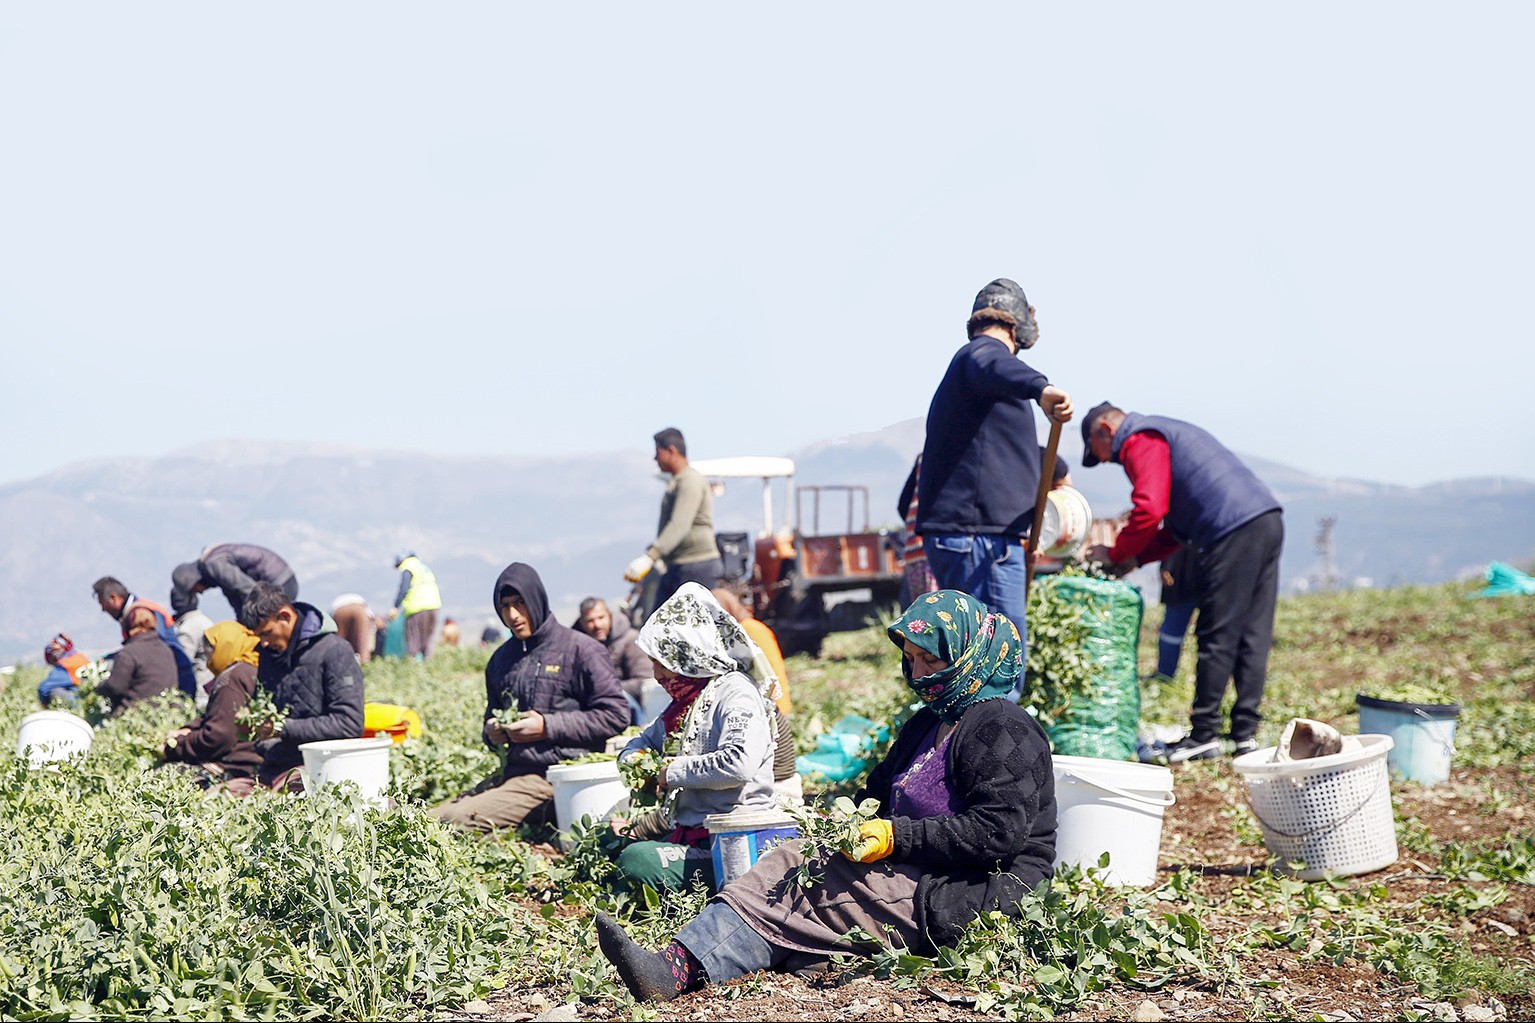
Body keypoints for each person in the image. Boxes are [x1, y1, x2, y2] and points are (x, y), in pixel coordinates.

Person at [594, 589, 1058, 1002]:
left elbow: (999, 834)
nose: (917, 674)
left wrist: (896, 837)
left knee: (800, 885)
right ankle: (705, 959)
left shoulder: (1001, 726)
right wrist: (839, 821)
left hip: (974, 888)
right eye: (911, 659)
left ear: (968, 654)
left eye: (931, 661)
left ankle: (678, 967)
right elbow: (875, 792)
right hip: (918, 867)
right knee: (793, 862)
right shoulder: (926, 722)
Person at [1080, 402, 1284, 763]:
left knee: (1217, 633)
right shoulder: (1165, 433)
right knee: (1251, 632)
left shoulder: (1141, 439)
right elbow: (1175, 529)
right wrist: (1136, 559)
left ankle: (1204, 734)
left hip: (1230, 529)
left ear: (1105, 431)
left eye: (1104, 456)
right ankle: (1244, 734)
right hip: (1263, 518)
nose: (1112, 462)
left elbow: (1149, 510)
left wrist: (1113, 554)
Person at [916, 278, 1074, 638]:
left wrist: (1056, 475)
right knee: (996, 654)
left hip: (981, 536)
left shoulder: (980, 384)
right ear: (1014, 329)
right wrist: (1042, 389)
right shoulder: (981, 355)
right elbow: (990, 359)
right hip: (978, 540)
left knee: (984, 653)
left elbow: (1003, 448)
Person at [608, 583, 783, 893]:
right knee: (608, 836)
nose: (657, 675)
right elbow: (641, 742)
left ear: (688, 655)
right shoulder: (687, 702)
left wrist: (669, 772)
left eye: (662, 663)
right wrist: (638, 763)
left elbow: (738, 764)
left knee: (637, 860)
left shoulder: (735, 693)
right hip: (688, 829)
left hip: (734, 838)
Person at [431, 563, 628, 834]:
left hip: (557, 778)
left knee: (453, 820)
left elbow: (615, 715)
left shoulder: (581, 650)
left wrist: (547, 726)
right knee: (425, 817)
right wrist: (493, 733)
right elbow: (492, 718)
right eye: (505, 606)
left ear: (536, 599)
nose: (512, 615)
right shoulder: (501, 660)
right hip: (515, 775)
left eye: (519, 603)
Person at [239, 582, 366, 792]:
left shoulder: (334, 651)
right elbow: (264, 713)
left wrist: (282, 728)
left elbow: (349, 723)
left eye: (266, 633)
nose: (263, 643)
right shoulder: (269, 656)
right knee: (221, 797)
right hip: (274, 765)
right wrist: (254, 727)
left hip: (320, 767)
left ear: (285, 616)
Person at [624, 428, 724, 609]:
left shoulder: (689, 481)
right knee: (660, 625)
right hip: (679, 565)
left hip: (696, 566)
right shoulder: (679, 481)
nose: (655, 458)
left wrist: (651, 556)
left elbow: (680, 524)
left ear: (671, 451)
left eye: (658, 452)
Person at [160, 620, 263, 788]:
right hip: (254, 762)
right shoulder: (255, 668)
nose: (209, 663)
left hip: (236, 765)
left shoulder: (231, 678)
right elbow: (222, 717)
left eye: (210, 654)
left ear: (224, 647)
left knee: (165, 777)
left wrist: (176, 746)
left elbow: (218, 737)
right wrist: (192, 728)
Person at [93, 576, 197, 696]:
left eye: (103, 604)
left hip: (175, 682)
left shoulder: (143, 612)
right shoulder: (132, 612)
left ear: (114, 598)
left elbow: (153, 650)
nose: (103, 610)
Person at [576, 596, 655, 725]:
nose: (597, 625)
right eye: (590, 621)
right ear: (582, 623)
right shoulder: (579, 647)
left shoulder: (631, 640)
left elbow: (645, 682)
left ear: (609, 615)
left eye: (601, 618)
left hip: (631, 710)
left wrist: (605, 689)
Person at [170, 543, 299, 621]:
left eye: (194, 590)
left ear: (194, 580)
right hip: (279, 580)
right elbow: (234, 596)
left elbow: (250, 590)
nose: (201, 592)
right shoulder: (213, 567)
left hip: (279, 582)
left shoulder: (214, 565)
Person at [97, 603, 181, 714]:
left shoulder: (128, 654)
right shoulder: (166, 650)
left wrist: (98, 688)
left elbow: (115, 687)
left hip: (136, 715)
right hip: (165, 712)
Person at [1152, 543, 1201, 682]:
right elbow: (1173, 532)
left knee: (1214, 637)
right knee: (1171, 632)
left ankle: (1209, 685)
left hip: (1214, 573)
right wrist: (1166, 564)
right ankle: (1164, 676)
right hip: (1180, 574)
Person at [170, 587, 216, 709]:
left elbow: (182, 664)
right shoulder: (204, 621)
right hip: (210, 686)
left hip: (199, 695)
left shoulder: (187, 630)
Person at [392, 551, 442, 659]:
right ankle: (429, 666)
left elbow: (404, 588)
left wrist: (395, 606)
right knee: (428, 641)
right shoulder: (422, 567)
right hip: (434, 605)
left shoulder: (408, 567)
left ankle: (412, 668)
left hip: (417, 607)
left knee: (413, 641)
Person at [37, 634, 90, 707]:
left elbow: (43, 689)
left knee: (55, 691)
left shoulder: (66, 665)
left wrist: (44, 706)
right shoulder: (80, 657)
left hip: (78, 703)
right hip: (88, 699)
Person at [330, 594, 376, 663]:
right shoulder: (363, 609)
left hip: (339, 608)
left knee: (340, 648)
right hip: (359, 607)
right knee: (363, 650)